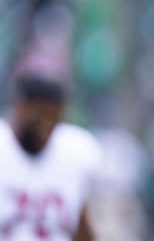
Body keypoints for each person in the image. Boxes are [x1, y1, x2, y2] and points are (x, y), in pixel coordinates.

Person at [0, 74, 102, 241]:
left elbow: (81, 226)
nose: (47, 125)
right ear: (19, 107)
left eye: (54, 118)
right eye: (40, 116)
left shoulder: (75, 153)